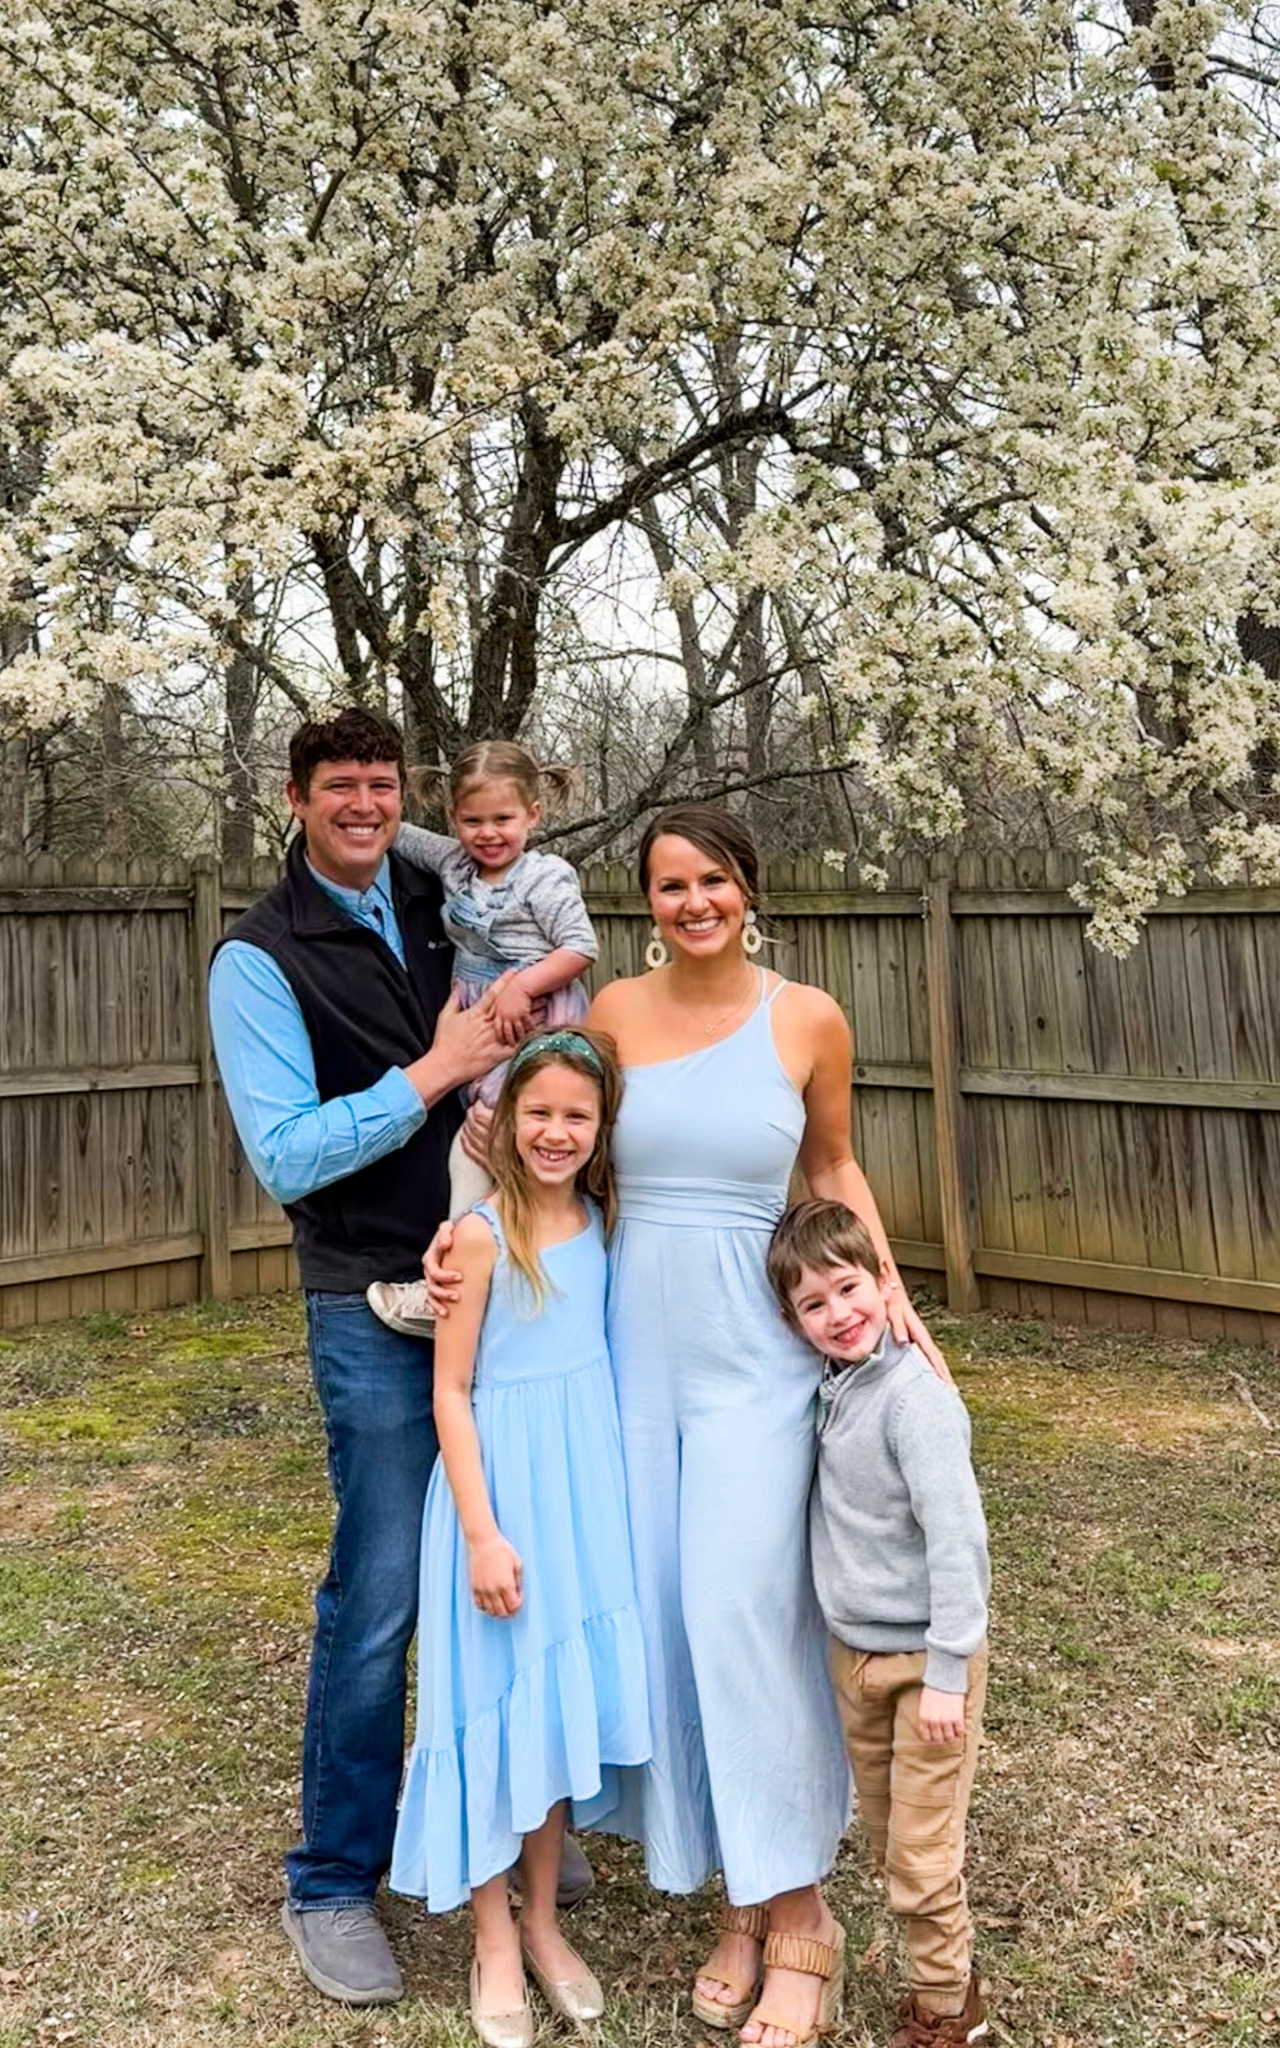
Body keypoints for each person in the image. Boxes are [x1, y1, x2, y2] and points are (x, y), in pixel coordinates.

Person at [428, 804, 946, 2048]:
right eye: (668, 884)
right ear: (644, 903)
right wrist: (454, 1238)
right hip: (622, 1365)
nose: (692, 900)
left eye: (712, 879)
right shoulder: (610, 1019)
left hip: (751, 1362)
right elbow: (523, 1145)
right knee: (664, 1621)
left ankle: (802, 1914)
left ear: (746, 889)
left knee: (743, 1618)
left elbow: (832, 1167)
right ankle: (738, 1902)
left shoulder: (808, 1015)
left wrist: (898, 1303)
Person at [206, 707, 591, 2009]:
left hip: (501, 1281)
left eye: (383, 787)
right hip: (368, 1294)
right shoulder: (257, 958)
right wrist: (437, 1068)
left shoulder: (440, 884)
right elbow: (289, 1156)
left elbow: (484, 843)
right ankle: (331, 1879)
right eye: (339, 790)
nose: (364, 808)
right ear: (295, 797)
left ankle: (526, 1817)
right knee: (379, 1596)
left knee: (517, 1546)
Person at [390, 1028, 650, 2048]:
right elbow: (450, 1392)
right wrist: (482, 1532)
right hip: (497, 1501)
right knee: (496, 1711)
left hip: (582, 1496)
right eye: (538, 1111)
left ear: (600, 1128)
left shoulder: (601, 1217)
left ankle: (544, 1921)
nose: (556, 1130)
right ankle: (492, 1936)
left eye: (576, 1115)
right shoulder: (479, 1237)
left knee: (549, 1715)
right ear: (505, 1117)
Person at [767, 1199, 990, 2048]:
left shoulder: (913, 1399)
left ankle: (948, 2011)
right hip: (855, 1661)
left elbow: (959, 1539)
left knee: (922, 1858)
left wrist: (945, 1670)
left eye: (849, 1288)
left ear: (882, 1282)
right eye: (812, 1305)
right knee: (893, 1842)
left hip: (926, 1670)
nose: (838, 1314)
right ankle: (944, 1981)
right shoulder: (834, 1389)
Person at [367, 741, 598, 1338]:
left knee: (485, 1144)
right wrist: (366, 809)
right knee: (486, 1143)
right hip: (478, 1022)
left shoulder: (543, 878)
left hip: (533, 1024)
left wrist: (522, 986)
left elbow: (580, 946)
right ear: (453, 820)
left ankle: (449, 1286)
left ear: (533, 816)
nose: (488, 833)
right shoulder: (455, 867)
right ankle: (502, 1277)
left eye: (503, 819)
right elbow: (395, 835)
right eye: (472, 820)